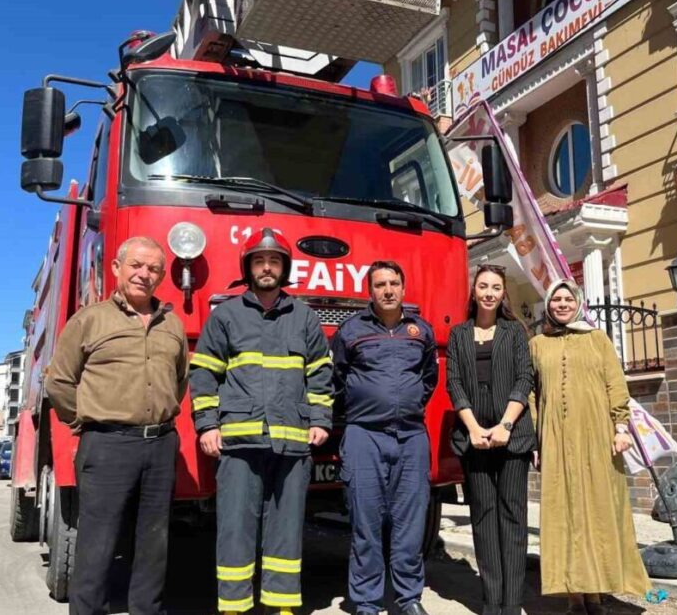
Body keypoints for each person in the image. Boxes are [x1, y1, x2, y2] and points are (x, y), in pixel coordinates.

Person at [189, 228, 333, 615]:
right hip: (239, 443)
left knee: (286, 529)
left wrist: (321, 419)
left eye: (273, 261)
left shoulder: (304, 316)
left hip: (293, 441)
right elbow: (203, 373)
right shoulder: (227, 316)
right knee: (235, 528)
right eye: (259, 261)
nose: (266, 268)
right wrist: (207, 424)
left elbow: (321, 373)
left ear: (284, 268)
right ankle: (234, 607)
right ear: (248, 268)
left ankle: (280, 606)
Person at [46, 236, 189, 615]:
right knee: (98, 543)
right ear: (116, 268)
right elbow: (59, 382)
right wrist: (84, 420)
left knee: (154, 543)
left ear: (162, 276)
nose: (144, 274)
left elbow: (179, 380)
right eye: (136, 265)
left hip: (160, 444)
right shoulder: (89, 320)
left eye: (153, 269)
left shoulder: (172, 325)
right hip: (107, 445)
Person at [529, 279, 651, 614]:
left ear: (578, 303)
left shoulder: (598, 339)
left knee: (597, 512)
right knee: (564, 513)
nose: (562, 304)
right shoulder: (537, 344)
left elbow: (615, 383)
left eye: (568, 299)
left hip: (598, 438)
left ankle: (596, 593)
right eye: (557, 299)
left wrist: (621, 427)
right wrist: (536, 439)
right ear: (548, 305)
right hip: (555, 440)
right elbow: (531, 394)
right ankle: (574, 596)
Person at [331, 260, 437, 615]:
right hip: (365, 436)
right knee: (366, 522)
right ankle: (366, 601)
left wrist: (405, 403)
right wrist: (366, 405)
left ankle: (409, 598)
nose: (388, 290)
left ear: (403, 289)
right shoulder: (350, 331)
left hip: (411, 436)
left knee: (411, 523)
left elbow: (428, 379)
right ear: (370, 291)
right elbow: (337, 378)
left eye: (393, 283)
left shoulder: (421, 331)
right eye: (380, 285)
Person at [445, 264, 535, 615]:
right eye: (483, 286)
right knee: (483, 519)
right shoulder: (458, 334)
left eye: (496, 287)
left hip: (512, 439)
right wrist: (472, 428)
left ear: (503, 293)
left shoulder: (515, 331)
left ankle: (511, 603)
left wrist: (505, 425)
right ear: (474, 291)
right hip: (475, 440)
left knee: (512, 518)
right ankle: (491, 601)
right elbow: (454, 383)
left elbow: (524, 378)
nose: (489, 293)